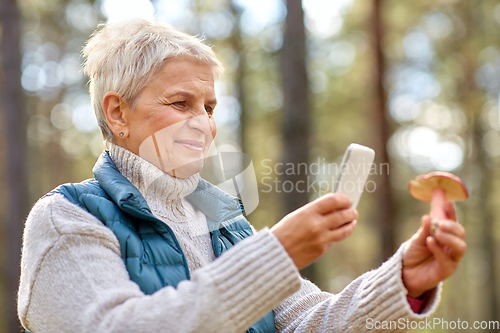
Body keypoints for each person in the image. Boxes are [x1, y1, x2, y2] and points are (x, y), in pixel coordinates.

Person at [17, 19, 466, 333]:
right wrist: (276, 254)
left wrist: (403, 280)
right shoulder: (66, 219)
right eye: (180, 103)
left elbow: (313, 323)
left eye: (209, 108)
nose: (204, 123)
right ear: (118, 112)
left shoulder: (222, 216)